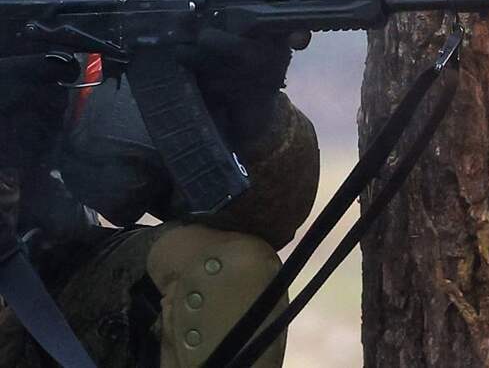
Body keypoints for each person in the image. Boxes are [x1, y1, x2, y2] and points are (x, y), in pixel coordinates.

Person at [0, 31, 320, 367]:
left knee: (229, 270)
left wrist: (247, 113)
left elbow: (269, 213)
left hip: (41, 297)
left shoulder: (50, 38)